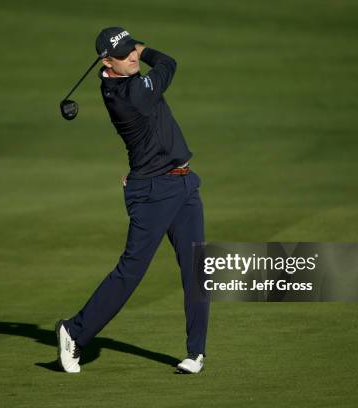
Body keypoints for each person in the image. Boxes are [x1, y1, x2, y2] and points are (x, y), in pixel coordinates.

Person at [56, 27, 209, 374]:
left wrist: (131, 47)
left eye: (133, 49)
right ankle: (73, 331)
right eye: (125, 54)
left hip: (183, 184)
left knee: (197, 268)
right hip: (154, 192)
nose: (134, 56)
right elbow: (169, 63)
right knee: (132, 271)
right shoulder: (130, 94)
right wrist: (147, 48)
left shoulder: (126, 78)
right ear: (107, 62)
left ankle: (195, 352)